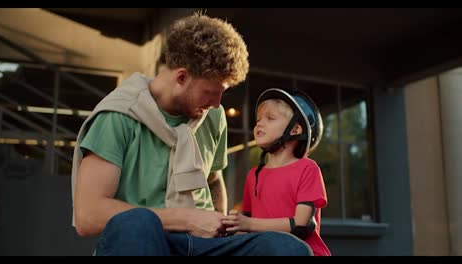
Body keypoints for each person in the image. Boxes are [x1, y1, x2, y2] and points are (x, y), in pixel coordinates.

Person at [71, 13, 312, 256]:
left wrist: (222, 226)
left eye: (222, 93)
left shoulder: (212, 116)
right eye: (211, 92)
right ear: (182, 77)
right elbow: (88, 216)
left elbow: (213, 180)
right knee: (137, 222)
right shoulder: (117, 117)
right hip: (146, 242)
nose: (217, 104)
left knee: (287, 248)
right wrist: (185, 219)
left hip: (202, 246)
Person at [222, 88, 331, 256]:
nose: (259, 123)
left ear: (295, 130)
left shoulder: (307, 169)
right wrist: (232, 226)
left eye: (270, 118)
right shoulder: (253, 175)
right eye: (258, 119)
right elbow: (246, 226)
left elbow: (301, 225)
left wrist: (248, 224)